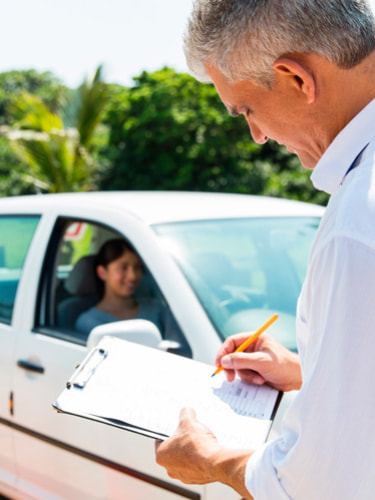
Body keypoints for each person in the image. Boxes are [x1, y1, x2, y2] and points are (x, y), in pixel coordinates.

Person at [155, 1, 375, 499]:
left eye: (247, 109)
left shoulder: (358, 222)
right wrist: (311, 370)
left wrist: (210, 458)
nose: (256, 136)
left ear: (296, 79)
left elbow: (321, 488)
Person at [75, 238, 164, 334]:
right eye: (123, 268)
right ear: (102, 272)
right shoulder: (89, 322)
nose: (132, 276)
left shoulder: (157, 308)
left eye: (137, 267)